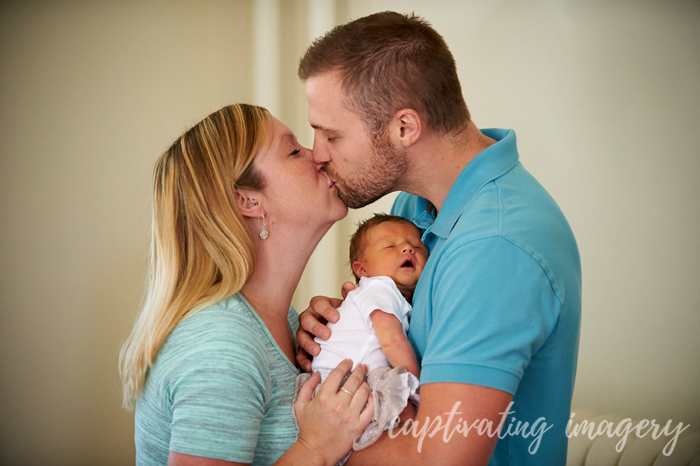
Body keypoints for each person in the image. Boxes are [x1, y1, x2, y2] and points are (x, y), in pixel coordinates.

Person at [295, 11, 582, 466]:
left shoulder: (495, 246)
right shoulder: (414, 209)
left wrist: (311, 441)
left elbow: (439, 459)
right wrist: (341, 324)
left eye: (332, 135)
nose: (318, 154)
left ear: (405, 128)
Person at [119, 104, 375, 466]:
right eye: (293, 150)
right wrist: (314, 449)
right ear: (247, 200)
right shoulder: (222, 346)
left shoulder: (283, 322)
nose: (319, 155)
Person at [295, 214, 425, 456]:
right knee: (413, 425)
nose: (408, 248)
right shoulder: (381, 288)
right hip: (345, 384)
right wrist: (420, 390)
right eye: (390, 246)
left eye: (417, 246)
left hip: (333, 383)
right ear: (362, 270)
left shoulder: (379, 295)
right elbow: (392, 340)